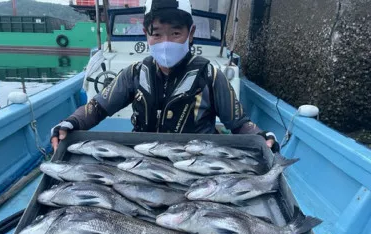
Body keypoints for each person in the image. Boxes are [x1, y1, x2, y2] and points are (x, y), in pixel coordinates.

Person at [51, 0, 278, 152]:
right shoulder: (134, 73)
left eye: (176, 33)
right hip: (143, 159)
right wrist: (71, 123)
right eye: (157, 34)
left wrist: (261, 137)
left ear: (191, 34)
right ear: (145, 34)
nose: (165, 42)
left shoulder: (211, 76)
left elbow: (239, 124)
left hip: (196, 160)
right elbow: (97, 108)